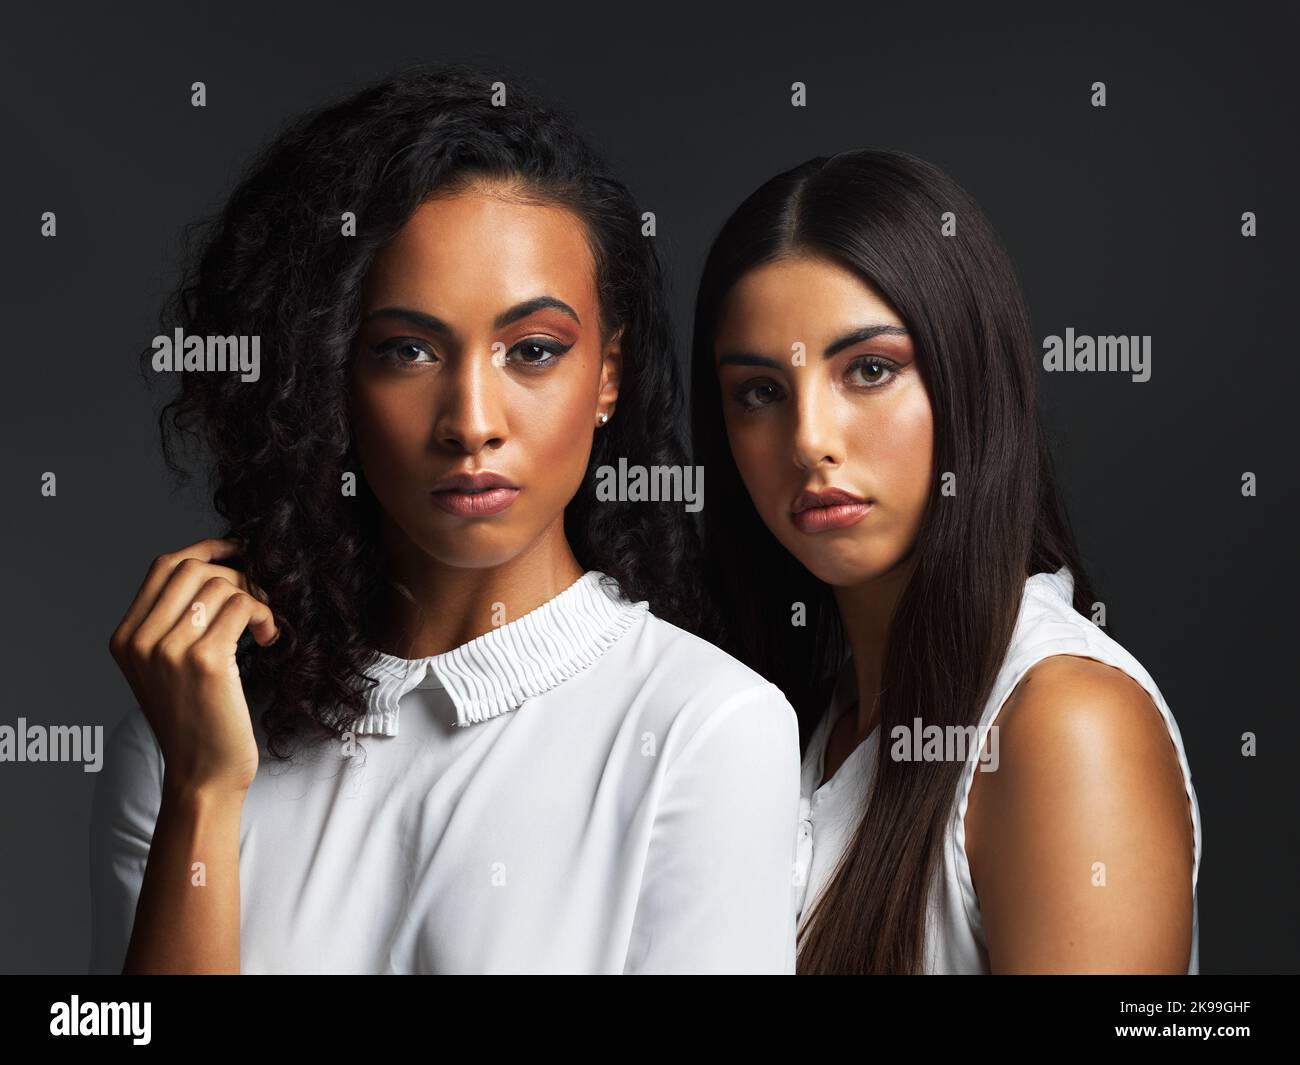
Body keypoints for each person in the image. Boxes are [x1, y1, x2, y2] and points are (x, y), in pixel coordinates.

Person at [90, 65, 800, 975]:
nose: (471, 420)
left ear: (608, 377)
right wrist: (200, 789)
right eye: (408, 350)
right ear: (328, 375)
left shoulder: (709, 729)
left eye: (533, 351)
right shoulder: (190, 728)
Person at [689, 148, 1202, 974]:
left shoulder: (1061, 723)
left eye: (869, 369)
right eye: (759, 391)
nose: (810, 439)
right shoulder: (798, 719)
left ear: (970, 376)